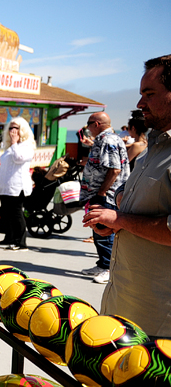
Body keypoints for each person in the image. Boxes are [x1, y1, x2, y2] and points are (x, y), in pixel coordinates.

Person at [83, 54, 171, 387]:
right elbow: (139, 216)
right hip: (126, 307)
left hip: (163, 316)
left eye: (149, 92)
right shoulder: (154, 146)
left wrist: (122, 221)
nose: (140, 100)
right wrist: (112, 223)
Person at [79, 111, 129, 284]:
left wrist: (101, 192)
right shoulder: (105, 139)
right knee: (98, 230)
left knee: (105, 231)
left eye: (88, 125)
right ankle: (102, 264)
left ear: (96, 124)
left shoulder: (108, 140)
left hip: (106, 196)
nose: (88, 129)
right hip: (100, 193)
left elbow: (114, 169)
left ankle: (109, 268)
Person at [0, 117, 36, 251]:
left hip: (17, 187)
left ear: (22, 130)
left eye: (16, 128)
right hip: (5, 186)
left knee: (17, 213)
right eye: (11, 128)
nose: (13, 131)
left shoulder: (27, 146)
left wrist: (14, 143)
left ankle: (21, 242)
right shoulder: (10, 147)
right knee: (7, 213)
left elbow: (19, 159)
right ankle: (10, 238)